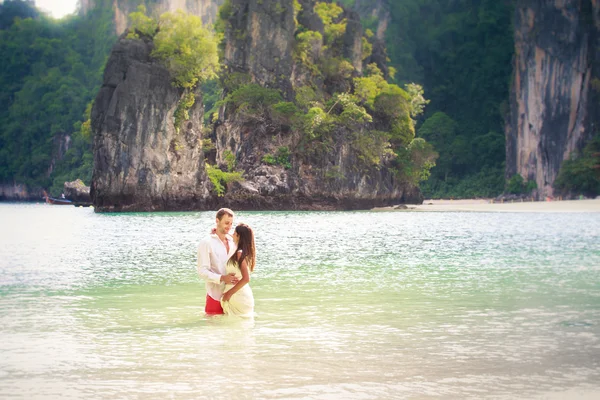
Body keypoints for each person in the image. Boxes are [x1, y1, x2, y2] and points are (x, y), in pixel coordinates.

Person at [197, 208, 239, 315]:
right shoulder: (206, 242)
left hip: (233, 296)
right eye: (226, 223)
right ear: (217, 221)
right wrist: (222, 278)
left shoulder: (233, 242)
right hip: (215, 296)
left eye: (231, 223)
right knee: (212, 329)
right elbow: (202, 271)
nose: (229, 227)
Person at [221, 223, 255, 317]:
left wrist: (228, 293)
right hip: (240, 295)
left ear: (238, 236)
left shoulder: (239, 253)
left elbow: (246, 278)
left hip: (237, 296)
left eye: (234, 233)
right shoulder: (244, 252)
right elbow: (232, 237)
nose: (232, 235)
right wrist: (218, 233)